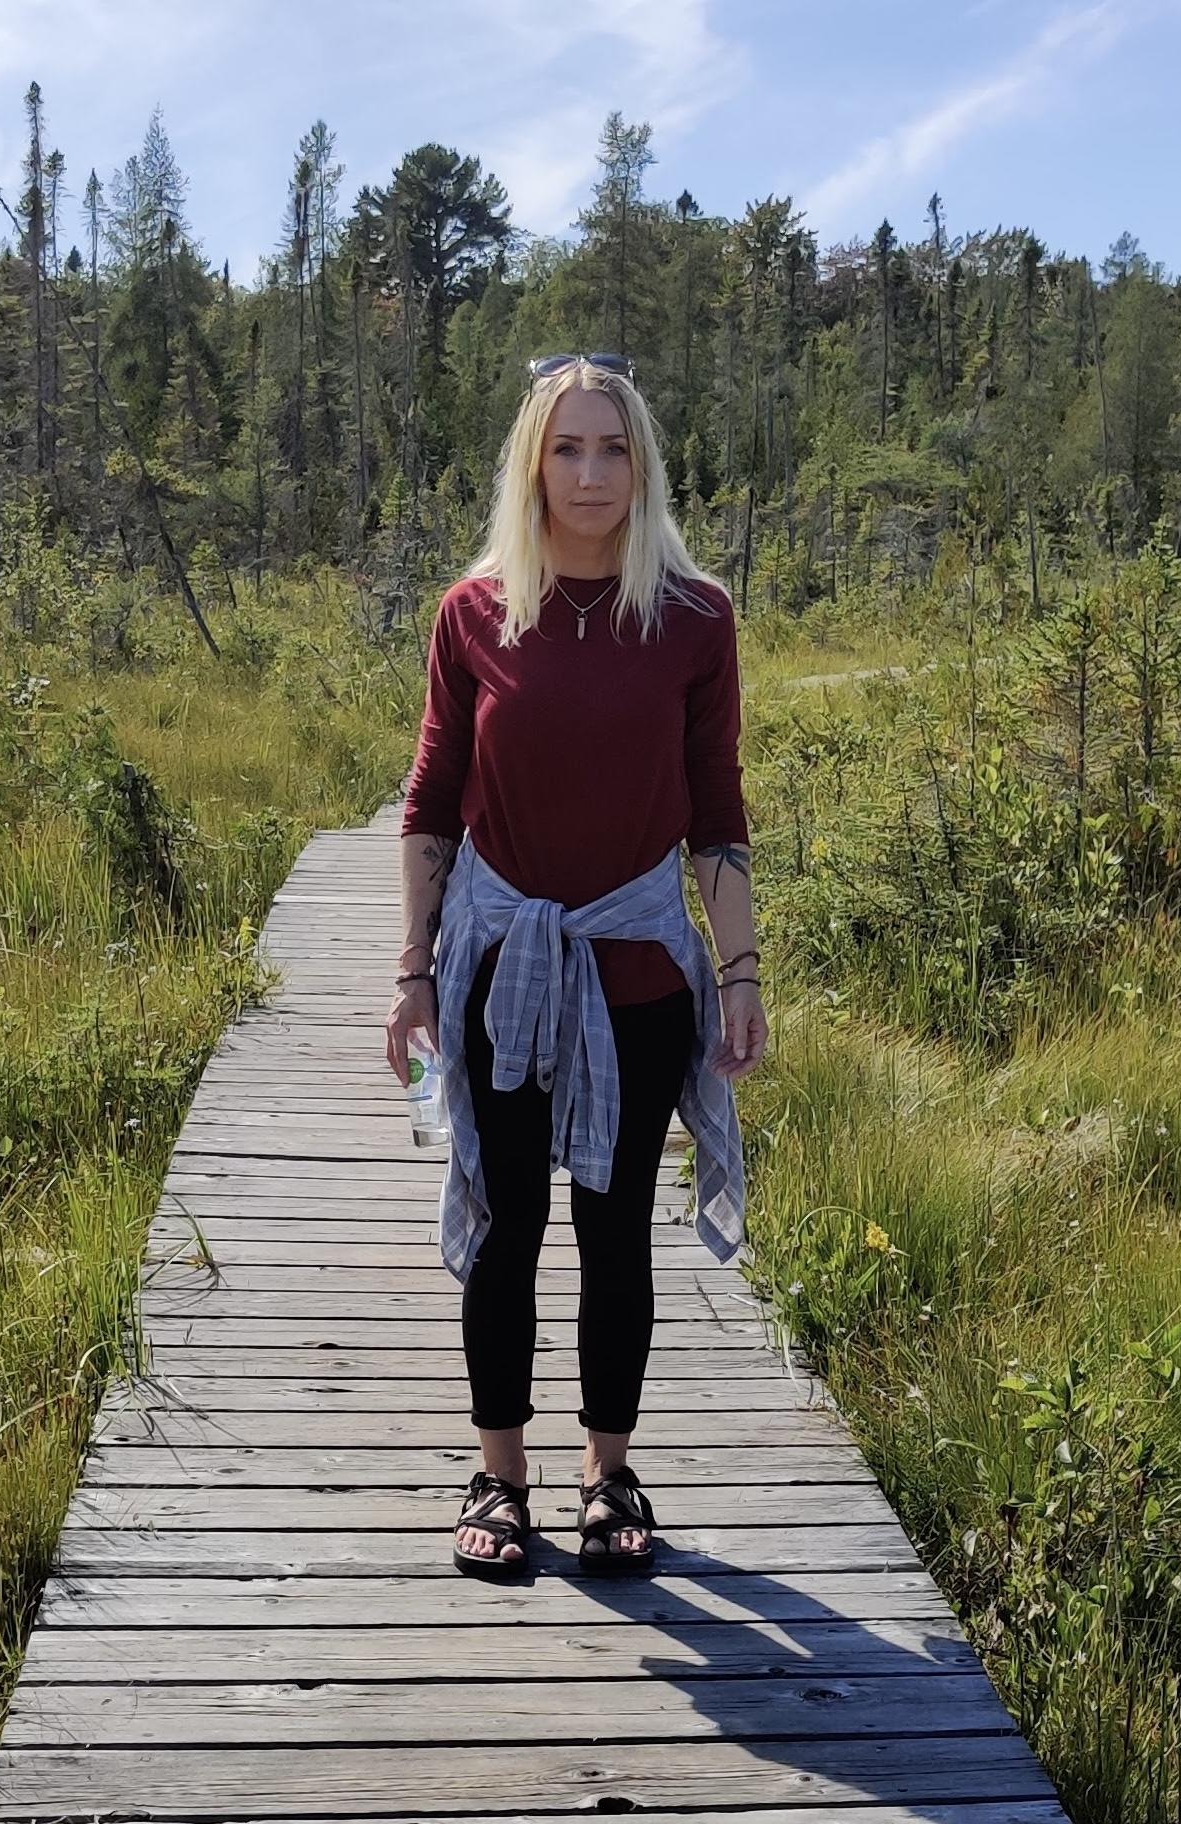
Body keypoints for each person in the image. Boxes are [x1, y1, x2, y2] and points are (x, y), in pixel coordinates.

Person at [385, 353, 768, 1580]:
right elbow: (433, 797)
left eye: (613, 448)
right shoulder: (475, 612)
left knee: (616, 1231)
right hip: (500, 965)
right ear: (532, 464)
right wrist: (413, 970)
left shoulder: (693, 618)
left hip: (639, 966)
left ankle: (609, 1473)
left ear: (642, 465)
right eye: (567, 448)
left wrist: (741, 971)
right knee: (506, 1224)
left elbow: (716, 807)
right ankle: (499, 1476)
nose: (591, 473)